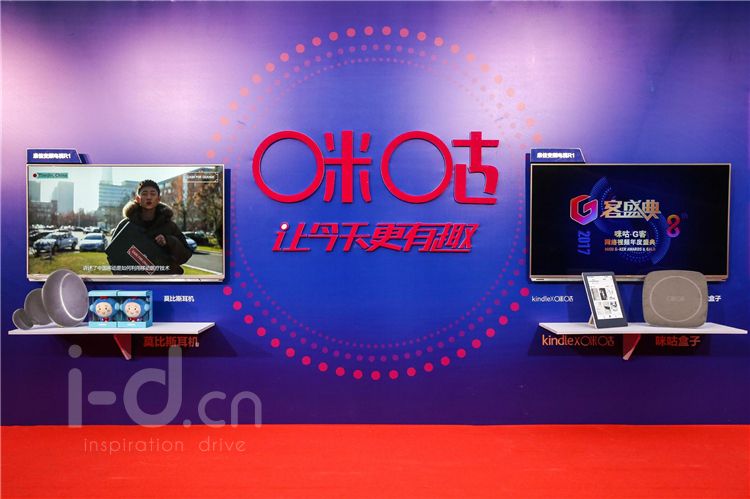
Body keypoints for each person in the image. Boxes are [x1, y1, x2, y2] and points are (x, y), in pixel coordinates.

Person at [110, 180, 191, 274]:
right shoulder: (125, 225)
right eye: (144, 194)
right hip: (133, 281)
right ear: (138, 199)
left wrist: (168, 241)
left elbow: (185, 256)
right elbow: (112, 254)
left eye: (153, 194)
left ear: (159, 199)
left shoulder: (170, 226)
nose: (149, 197)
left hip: (163, 281)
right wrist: (123, 276)